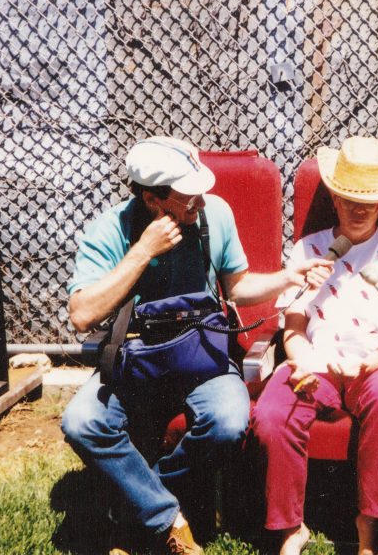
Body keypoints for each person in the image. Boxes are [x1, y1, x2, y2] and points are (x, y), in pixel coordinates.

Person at [60, 136, 331, 555]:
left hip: (202, 355)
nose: (200, 205)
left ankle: (139, 509)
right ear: (152, 199)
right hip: (137, 361)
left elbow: (237, 287)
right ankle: (169, 519)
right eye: (189, 200)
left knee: (227, 422)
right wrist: (142, 252)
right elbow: (82, 314)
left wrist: (288, 276)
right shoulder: (111, 229)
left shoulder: (214, 214)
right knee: (81, 422)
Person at [250, 136, 378, 555]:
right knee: (275, 411)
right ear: (334, 197)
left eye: (369, 200)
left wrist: (376, 359)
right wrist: (299, 361)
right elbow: (292, 326)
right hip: (317, 362)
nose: (359, 208)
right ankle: (289, 528)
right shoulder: (308, 249)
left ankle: (369, 529)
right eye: (350, 198)